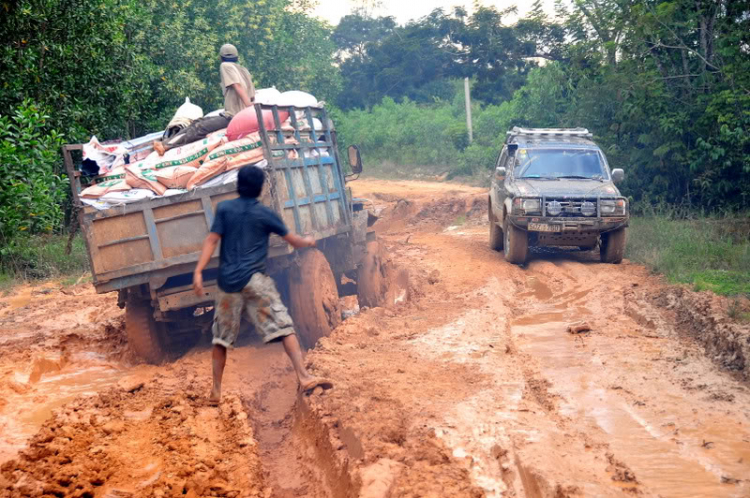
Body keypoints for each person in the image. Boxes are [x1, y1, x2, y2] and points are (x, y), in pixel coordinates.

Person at [193, 165, 332, 405]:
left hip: (228, 284)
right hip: (255, 281)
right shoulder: (266, 214)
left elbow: (211, 240)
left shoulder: (224, 209)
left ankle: (216, 392)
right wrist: (309, 241)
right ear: (260, 188)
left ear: (238, 185)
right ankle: (304, 375)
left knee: (221, 339)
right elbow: (293, 240)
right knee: (284, 327)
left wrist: (198, 270)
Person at [153, 43, 256, 155]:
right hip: (237, 115)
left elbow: (237, 85)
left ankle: (166, 146)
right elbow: (252, 93)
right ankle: (166, 142)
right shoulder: (244, 70)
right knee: (198, 122)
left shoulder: (225, 66)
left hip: (232, 116)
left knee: (199, 127)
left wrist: (247, 104)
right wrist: (249, 106)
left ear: (221, 57)